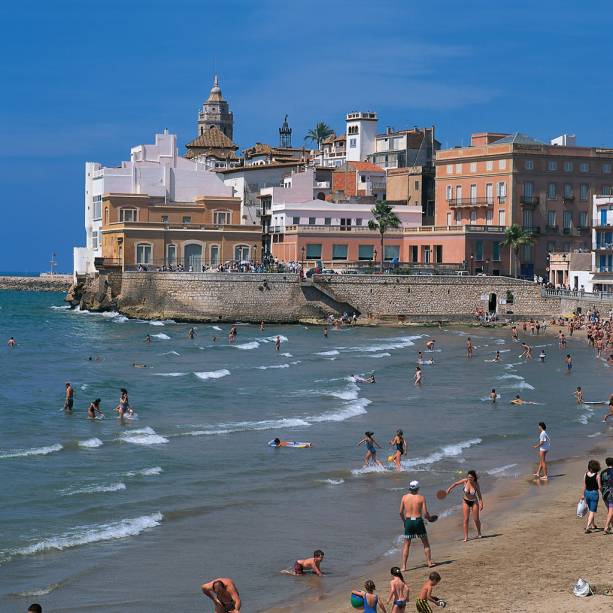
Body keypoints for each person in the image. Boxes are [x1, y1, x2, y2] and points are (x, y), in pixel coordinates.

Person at [399, 480, 434, 570]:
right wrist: (429, 518)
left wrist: (404, 522)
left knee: (407, 544)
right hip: (418, 521)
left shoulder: (404, 497)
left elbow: (400, 512)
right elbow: (425, 513)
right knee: (425, 543)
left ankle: (404, 566)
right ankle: (429, 562)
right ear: (418, 488)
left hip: (409, 521)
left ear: (410, 488)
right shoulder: (421, 498)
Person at [445, 470, 483, 541]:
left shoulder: (476, 484)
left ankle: (479, 533)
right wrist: (449, 488)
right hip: (465, 501)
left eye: (471, 477)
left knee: (476, 519)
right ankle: (466, 537)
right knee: (466, 519)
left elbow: (479, 495)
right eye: (468, 477)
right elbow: (456, 484)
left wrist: (481, 503)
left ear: (474, 478)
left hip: (474, 502)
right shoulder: (465, 481)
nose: (469, 478)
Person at [582, 460, 602, 533]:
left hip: (587, 493)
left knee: (590, 509)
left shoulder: (585, 474)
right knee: (592, 511)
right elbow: (599, 487)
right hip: (594, 493)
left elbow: (584, 485)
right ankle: (588, 527)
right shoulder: (597, 476)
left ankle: (593, 525)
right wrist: (602, 493)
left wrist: (582, 495)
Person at [600, 457, 613, 534]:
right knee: (611, 511)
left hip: (605, 493)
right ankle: (606, 526)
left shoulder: (603, 472)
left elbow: (601, 485)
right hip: (611, 493)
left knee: (610, 511)